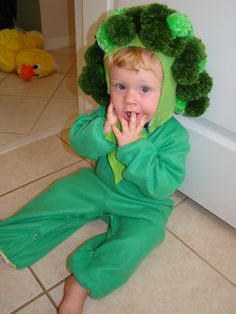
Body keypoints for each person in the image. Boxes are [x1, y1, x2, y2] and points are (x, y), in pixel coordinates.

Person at [0, 3, 212, 314]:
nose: (130, 99)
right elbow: (79, 142)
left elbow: (162, 185)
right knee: (58, 195)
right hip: (98, 182)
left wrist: (134, 148)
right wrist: (102, 131)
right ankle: (10, 239)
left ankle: (82, 282)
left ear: (167, 92)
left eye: (145, 89)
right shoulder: (106, 115)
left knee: (143, 239)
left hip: (144, 205)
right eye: (120, 86)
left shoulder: (172, 136)